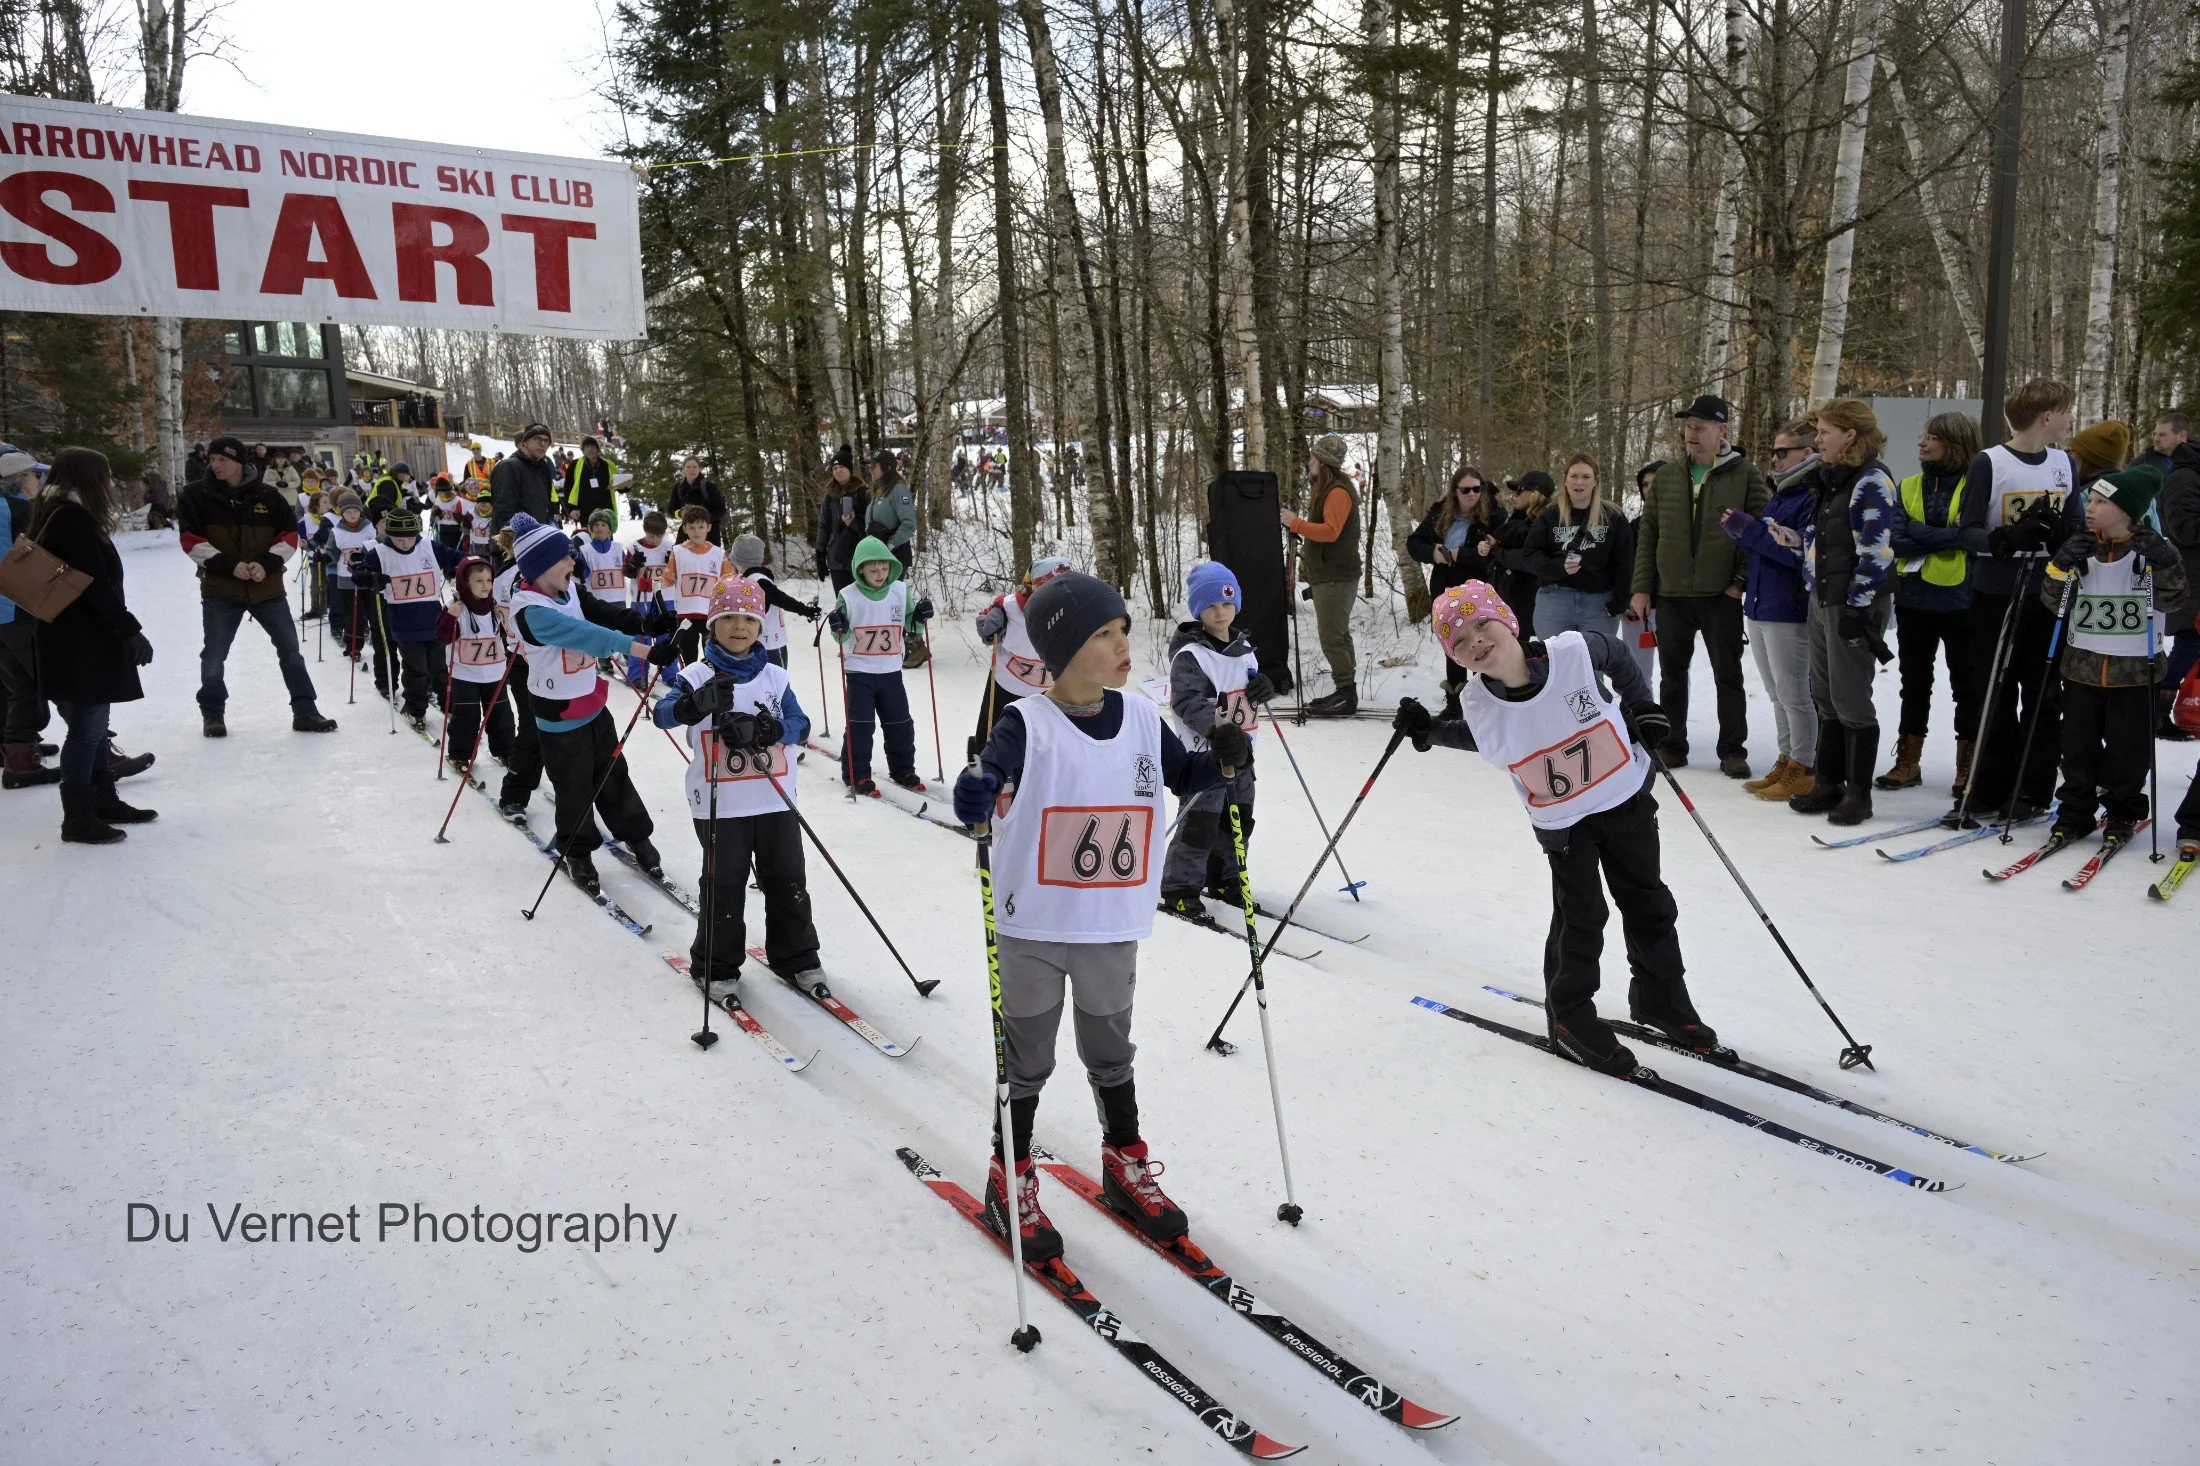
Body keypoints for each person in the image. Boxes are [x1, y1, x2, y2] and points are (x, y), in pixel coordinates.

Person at [950, 571, 1250, 1257]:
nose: (1123, 645)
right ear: (1061, 653)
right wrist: (976, 793)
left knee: (1111, 1051)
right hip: (1032, 927)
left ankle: (1124, 1161)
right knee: (1027, 1061)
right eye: (1103, 635)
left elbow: (1186, 774)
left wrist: (1224, 760)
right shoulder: (1025, 723)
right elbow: (987, 779)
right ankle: (1012, 1173)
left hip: (1111, 926)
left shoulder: (1143, 717)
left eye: (1122, 630)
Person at [1392, 580, 1715, 1076]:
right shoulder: (1478, 701)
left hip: (1624, 797)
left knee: (1649, 901)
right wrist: (1428, 730)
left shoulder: (1574, 652)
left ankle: (1659, 1000)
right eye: (1459, 640)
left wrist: (1642, 705)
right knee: (1581, 918)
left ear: (1508, 621)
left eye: (1482, 623)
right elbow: (1487, 740)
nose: (1475, 639)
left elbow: (1621, 659)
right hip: (1565, 826)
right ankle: (1569, 1017)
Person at [652, 576, 819, 990]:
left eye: (748, 618)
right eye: (728, 618)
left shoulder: (775, 678)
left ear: (761, 627)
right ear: (713, 625)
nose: (738, 626)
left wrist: (766, 731)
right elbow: (663, 714)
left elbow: (800, 726)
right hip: (719, 804)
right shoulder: (695, 674)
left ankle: (796, 955)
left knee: (787, 879)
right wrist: (692, 705)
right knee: (723, 886)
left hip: (775, 798)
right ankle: (716, 965)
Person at [505, 514, 677, 894]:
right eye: (563, 558)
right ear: (539, 567)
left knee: (614, 773)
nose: (572, 562)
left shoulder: (570, 590)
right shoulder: (529, 610)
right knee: (574, 785)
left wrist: (646, 624)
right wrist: (644, 650)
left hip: (592, 702)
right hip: (558, 711)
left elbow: (603, 612)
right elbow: (587, 634)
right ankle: (577, 850)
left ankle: (635, 835)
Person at [1953, 379, 2083, 822]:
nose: (2071, 420)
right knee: (1995, 692)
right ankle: (1989, 786)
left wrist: (2060, 533)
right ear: (2047, 416)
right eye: (2067, 411)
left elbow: (2078, 526)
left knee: (2043, 694)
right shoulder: (1990, 462)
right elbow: (1967, 531)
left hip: (2047, 594)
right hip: (1997, 594)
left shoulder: (2066, 463)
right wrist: (2007, 537)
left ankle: (2032, 789)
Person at [2041, 466, 2187, 853]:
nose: (2090, 507)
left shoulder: (2154, 550)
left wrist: (2166, 564)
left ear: (2127, 510)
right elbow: (2054, 602)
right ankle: (2074, 811)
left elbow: (2174, 601)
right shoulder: (2081, 546)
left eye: (2102, 502)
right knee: (2076, 748)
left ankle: (2123, 810)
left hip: (2136, 673)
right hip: (2082, 670)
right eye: (2090, 499)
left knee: (2129, 750)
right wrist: (2060, 565)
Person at [1628, 394, 1770, 778]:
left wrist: (1738, 583)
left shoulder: (1745, 474)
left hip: (1720, 594)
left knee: (1728, 675)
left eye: (1700, 427)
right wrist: (1642, 587)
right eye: (1688, 426)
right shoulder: (1670, 475)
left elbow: (1759, 532)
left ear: (1722, 430)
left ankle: (1732, 750)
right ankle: (1672, 744)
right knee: (1672, 675)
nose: (1691, 434)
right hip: (1672, 594)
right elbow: (1648, 535)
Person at [26, 448, 158, 843]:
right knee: (86, 729)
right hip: (79, 640)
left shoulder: (53, 512)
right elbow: (95, 586)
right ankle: (78, 816)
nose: (111, 483)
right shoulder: (72, 519)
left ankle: (103, 799)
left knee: (94, 728)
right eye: (106, 475)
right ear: (87, 479)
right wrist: (131, 630)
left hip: (72, 636)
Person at [1786, 398, 1897, 826]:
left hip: (1852, 602)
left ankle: (1858, 793)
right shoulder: (1833, 479)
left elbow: (1876, 550)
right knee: (1825, 693)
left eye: (1825, 432)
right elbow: (1827, 538)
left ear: (1850, 435)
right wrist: (1799, 544)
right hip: (1824, 596)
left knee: (1851, 697)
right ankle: (1828, 782)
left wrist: (1858, 605)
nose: (1817, 440)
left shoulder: (1871, 481)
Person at [181, 435, 337, 737]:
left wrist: (265, 563)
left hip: (267, 588)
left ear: (239, 462)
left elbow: (289, 536)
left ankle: (305, 711)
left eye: (222, 459)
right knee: (213, 655)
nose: (214, 465)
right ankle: (213, 713)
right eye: (212, 459)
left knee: (291, 651)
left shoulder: (268, 495)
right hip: (221, 590)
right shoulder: (195, 496)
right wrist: (230, 566)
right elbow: (190, 541)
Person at [1158, 561, 1274, 917]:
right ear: (1198, 610)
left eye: (1226, 603)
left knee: (1238, 818)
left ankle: (1226, 878)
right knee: (1200, 823)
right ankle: (1180, 886)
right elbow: (1188, 701)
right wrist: (1216, 729)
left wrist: (1263, 686)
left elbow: (1247, 685)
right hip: (1205, 756)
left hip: (1243, 754)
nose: (1220, 611)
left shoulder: (1244, 648)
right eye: (1210, 605)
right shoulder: (1191, 655)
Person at [1878, 411, 1984, 793]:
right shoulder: (1907, 485)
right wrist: (1943, 534)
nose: (1922, 442)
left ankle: (1968, 765)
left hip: (1962, 600)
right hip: (1914, 597)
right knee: (1914, 683)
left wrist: (1923, 534)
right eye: (1922, 435)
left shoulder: (1975, 484)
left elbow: (1971, 537)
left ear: (1954, 442)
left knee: (1967, 686)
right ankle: (1907, 761)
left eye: (1932, 436)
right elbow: (1897, 540)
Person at [1719, 420, 1819, 802]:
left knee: (1795, 693)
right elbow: (1769, 548)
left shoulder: (1810, 495)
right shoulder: (1782, 493)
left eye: (1782, 452)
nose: (1774, 459)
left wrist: (1751, 532)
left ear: (1807, 454)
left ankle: (1804, 766)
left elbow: (1798, 556)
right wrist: (1744, 534)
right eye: (1774, 452)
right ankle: (1787, 758)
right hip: (1762, 604)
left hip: (1788, 608)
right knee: (1777, 692)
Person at [828, 535, 931, 794]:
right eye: (873, 569)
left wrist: (919, 616)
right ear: (860, 568)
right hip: (860, 672)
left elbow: (909, 624)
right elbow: (840, 632)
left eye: (884, 568)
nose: (880, 574)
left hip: (891, 672)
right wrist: (837, 626)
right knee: (861, 726)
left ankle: (904, 768)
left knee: (900, 723)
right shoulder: (848, 596)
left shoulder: (899, 590)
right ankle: (857, 774)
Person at [348, 508, 459, 728]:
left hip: (435, 622)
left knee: (440, 669)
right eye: (399, 539)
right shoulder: (379, 553)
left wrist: (476, 563)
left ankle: (451, 706)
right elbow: (359, 576)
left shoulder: (429, 546)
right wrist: (372, 578)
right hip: (404, 624)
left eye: (410, 538)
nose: (406, 543)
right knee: (417, 670)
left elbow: (456, 558)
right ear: (389, 534)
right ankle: (415, 709)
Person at [1406, 466, 1499, 719]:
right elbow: (1414, 542)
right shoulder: (1440, 513)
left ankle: (1487, 702)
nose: (1472, 494)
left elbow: (1494, 554)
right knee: (1455, 643)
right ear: (1455, 492)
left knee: (1482, 643)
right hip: (1446, 588)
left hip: (1478, 590)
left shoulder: (1493, 515)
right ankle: (1456, 702)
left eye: (1477, 489)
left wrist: (1462, 555)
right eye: (1465, 490)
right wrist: (1434, 553)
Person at [1281, 432, 1362, 715]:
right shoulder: (1330, 488)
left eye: (1313, 457)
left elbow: (1330, 531)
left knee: (1331, 636)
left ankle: (1345, 694)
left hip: (1336, 577)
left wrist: (1297, 523)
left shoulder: (1338, 491)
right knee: (1338, 634)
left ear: (1323, 461)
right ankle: (1347, 690)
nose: (1309, 461)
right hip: (1331, 574)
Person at [1521, 455, 1635, 642]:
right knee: (1555, 666)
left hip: (1598, 605)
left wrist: (1620, 602)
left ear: (1595, 481)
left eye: (1585, 476)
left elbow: (1626, 562)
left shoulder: (1613, 516)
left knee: (1593, 667)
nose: (1579, 482)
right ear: (1565, 480)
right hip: (1554, 601)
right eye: (1574, 476)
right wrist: (1558, 567)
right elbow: (1530, 554)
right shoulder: (1550, 514)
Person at [0, 447, 60, 788]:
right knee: (32, 679)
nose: (38, 480)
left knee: (7, 680)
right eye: (33, 475)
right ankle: (21, 760)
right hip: (16, 608)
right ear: (16, 480)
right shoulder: (21, 510)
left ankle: (11, 746)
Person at [973, 555, 1073, 755]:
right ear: (1038, 586)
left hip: (1048, 693)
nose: (1063, 591)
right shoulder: (1010, 607)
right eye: (1055, 585)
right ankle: (982, 773)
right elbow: (985, 623)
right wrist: (990, 622)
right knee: (994, 735)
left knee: (1038, 743)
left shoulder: (1073, 607)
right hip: (1006, 687)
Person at [436, 555, 515, 775]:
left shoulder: (494, 606)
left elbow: (504, 634)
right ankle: (460, 754)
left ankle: (506, 750)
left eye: (489, 580)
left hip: (494, 672)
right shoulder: (457, 607)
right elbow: (443, 637)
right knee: (466, 717)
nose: (485, 586)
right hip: (465, 675)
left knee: (501, 715)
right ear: (465, 582)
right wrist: (450, 617)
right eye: (478, 581)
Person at [2158, 424, 2200, 736]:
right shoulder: (2185, 477)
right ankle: (2158, 711)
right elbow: (2182, 528)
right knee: (2189, 640)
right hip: (2192, 577)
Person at [728, 532, 821, 670]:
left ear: (735, 560)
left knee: (777, 684)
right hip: (755, 643)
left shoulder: (758, 580)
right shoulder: (747, 579)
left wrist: (805, 610)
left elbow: (780, 599)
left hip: (771, 645)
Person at [1489, 471, 1550, 631]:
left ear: (1535, 494)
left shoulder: (1546, 522)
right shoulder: (1518, 516)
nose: (1515, 495)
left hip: (1530, 601)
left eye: (1520, 490)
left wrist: (1497, 550)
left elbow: (1529, 559)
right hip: (1509, 595)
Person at [668, 506, 726, 663]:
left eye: (701, 527)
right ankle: (690, 685)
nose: (696, 532)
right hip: (686, 614)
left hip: (710, 614)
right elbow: (669, 577)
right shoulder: (678, 551)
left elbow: (729, 580)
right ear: (685, 528)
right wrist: (656, 583)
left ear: (709, 527)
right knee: (689, 657)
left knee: (712, 656)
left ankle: (710, 685)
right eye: (692, 527)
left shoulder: (718, 554)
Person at [490, 425, 558, 532]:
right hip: (515, 542)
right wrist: (518, 540)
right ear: (524, 442)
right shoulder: (508, 466)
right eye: (538, 439)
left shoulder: (542, 468)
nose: (543, 443)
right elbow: (504, 512)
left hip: (537, 537)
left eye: (547, 441)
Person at [814, 445, 862, 591]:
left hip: (858, 555)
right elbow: (824, 525)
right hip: (836, 557)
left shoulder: (863, 493)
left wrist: (854, 522)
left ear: (850, 469)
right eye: (835, 468)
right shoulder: (830, 496)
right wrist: (820, 552)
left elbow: (870, 524)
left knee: (860, 602)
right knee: (842, 602)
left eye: (842, 466)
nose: (838, 471)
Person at [865, 449, 917, 569]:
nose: (870, 469)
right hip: (879, 554)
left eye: (874, 466)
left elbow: (909, 524)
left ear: (887, 468)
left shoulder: (898, 490)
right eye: (870, 466)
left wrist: (890, 545)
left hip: (894, 557)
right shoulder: (880, 489)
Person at [560, 436, 620, 530]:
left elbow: (620, 484)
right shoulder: (574, 465)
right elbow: (568, 488)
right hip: (585, 512)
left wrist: (627, 486)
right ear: (582, 450)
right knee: (588, 542)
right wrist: (571, 509)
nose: (590, 449)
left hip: (606, 511)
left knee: (606, 541)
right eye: (587, 447)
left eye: (593, 446)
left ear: (597, 449)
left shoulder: (607, 465)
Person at [576, 510, 631, 608]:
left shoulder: (618, 549)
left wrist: (633, 566)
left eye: (603, 525)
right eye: (596, 524)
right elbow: (582, 575)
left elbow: (627, 570)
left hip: (618, 600)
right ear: (591, 529)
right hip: (596, 602)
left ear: (609, 530)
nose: (599, 527)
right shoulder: (585, 551)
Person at [667, 455, 727, 542]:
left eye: (694, 467)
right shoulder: (678, 487)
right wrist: (680, 513)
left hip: (709, 533)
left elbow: (721, 510)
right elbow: (671, 509)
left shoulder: (709, 487)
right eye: (688, 467)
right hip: (687, 532)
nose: (691, 469)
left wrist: (703, 518)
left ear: (699, 469)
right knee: (678, 554)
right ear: (683, 469)